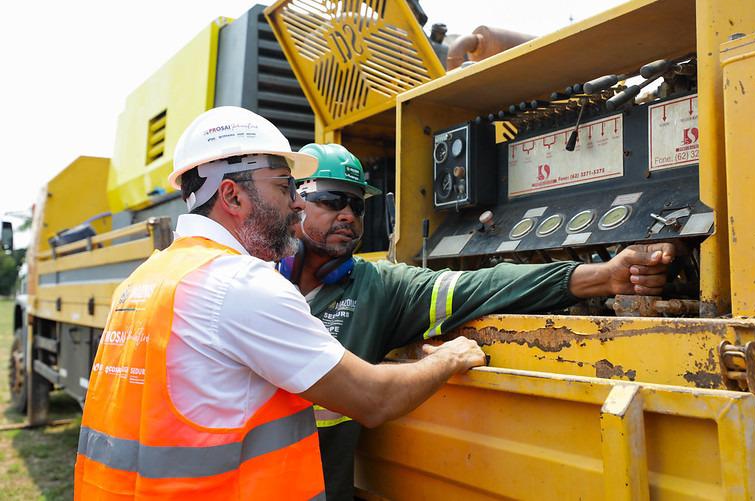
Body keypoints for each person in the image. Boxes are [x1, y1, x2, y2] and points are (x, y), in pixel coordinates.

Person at [73, 107, 485, 500]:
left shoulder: (146, 278)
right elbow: (373, 400)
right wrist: (448, 358)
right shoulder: (238, 284)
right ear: (232, 196)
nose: (297, 203)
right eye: (283, 186)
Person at [279, 142, 678, 501]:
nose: (348, 215)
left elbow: (483, 285)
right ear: (294, 203)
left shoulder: (374, 288)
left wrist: (604, 277)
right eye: (333, 201)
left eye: (358, 205)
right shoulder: (252, 283)